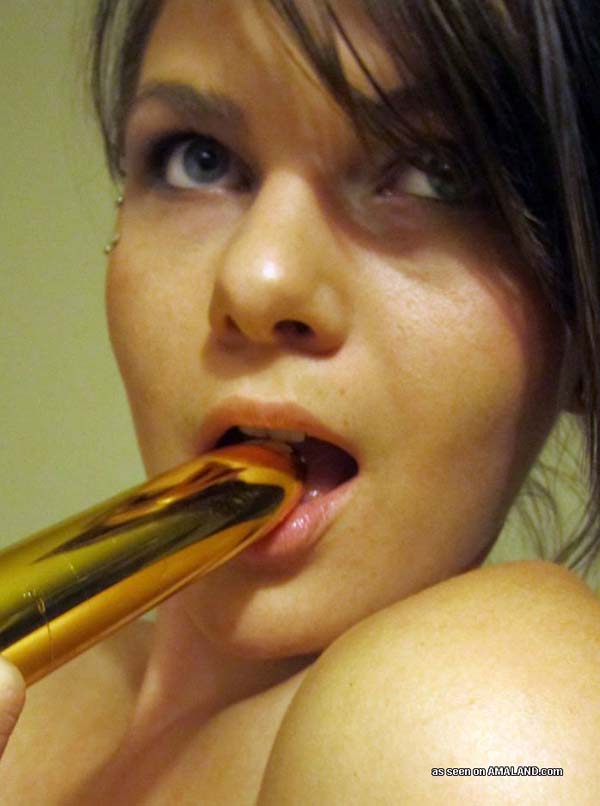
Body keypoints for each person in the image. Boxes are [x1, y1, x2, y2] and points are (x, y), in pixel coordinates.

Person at [2, 0, 600, 801]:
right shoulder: (44, 696)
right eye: (198, 160)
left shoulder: (485, 723)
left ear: (583, 328)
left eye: (435, 173)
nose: (257, 280)